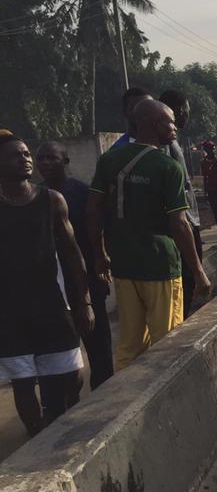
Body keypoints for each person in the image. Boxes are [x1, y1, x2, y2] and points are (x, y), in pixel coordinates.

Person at [87, 101, 212, 369]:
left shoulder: (109, 160)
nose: (175, 127)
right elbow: (179, 224)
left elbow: (93, 211)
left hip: (123, 265)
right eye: (169, 121)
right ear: (153, 125)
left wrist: (100, 254)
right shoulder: (168, 167)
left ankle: (124, 396)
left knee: (129, 344)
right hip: (160, 265)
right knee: (167, 343)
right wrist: (198, 271)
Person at [0, 131, 94, 436]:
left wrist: (84, 302)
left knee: (72, 375)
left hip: (52, 304)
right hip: (10, 312)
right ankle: (37, 435)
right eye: (16, 155)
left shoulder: (51, 200)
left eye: (27, 153)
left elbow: (72, 254)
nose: (26, 159)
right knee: (23, 382)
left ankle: (64, 419)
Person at [35, 141, 114, 389]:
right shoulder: (35, 197)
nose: (45, 163)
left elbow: (98, 234)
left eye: (52, 158)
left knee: (99, 347)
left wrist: (101, 270)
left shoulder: (82, 194)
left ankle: (104, 395)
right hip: (52, 285)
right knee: (60, 355)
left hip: (86, 278)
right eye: (42, 159)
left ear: (65, 161)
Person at [158, 90, 205, 317]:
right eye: (185, 111)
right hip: (183, 220)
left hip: (189, 218)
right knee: (187, 281)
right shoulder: (166, 145)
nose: (187, 116)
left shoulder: (174, 143)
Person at [108, 86, 153, 151]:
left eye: (149, 108)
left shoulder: (165, 144)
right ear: (125, 112)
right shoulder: (119, 151)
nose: (144, 112)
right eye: (137, 108)